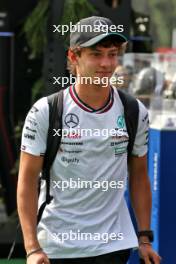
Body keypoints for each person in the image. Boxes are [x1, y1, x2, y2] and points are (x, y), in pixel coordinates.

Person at [17, 16, 161, 264]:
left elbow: (139, 176)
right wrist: (32, 248)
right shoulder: (46, 111)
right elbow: (27, 181)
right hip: (58, 247)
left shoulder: (134, 111)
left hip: (114, 245)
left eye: (112, 54)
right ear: (74, 57)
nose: (106, 63)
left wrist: (145, 238)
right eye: (96, 54)